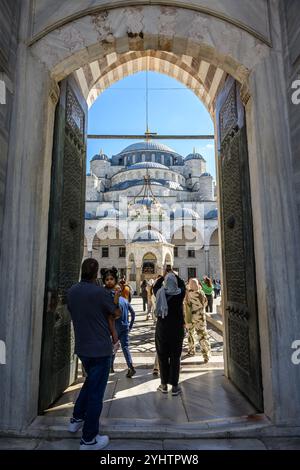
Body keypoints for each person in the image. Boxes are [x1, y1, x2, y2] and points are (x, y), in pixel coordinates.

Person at [67, 258, 121, 451]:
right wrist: (115, 300)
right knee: (97, 394)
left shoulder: (72, 291)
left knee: (90, 382)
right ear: (97, 273)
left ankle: (76, 418)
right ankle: (89, 439)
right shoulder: (100, 293)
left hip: (82, 348)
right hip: (100, 349)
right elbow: (115, 314)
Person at [153, 269, 186, 396]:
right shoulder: (179, 294)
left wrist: (163, 276)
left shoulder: (160, 293)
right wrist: (174, 275)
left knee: (162, 356)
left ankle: (164, 385)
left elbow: (155, 286)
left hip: (162, 330)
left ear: (166, 282)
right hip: (177, 330)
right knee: (175, 357)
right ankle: (175, 387)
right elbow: (182, 284)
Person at [102, 267, 136, 378]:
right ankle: (130, 366)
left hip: (114, 327)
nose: (109, 281)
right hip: (125, 327)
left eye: (111, 279)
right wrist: (129, 326)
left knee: (113, 346)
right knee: (125, 347)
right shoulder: (125, 301)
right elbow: (133, 313)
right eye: (107, 280)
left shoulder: (110, 299)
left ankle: (111, 366)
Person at [184, 278, 211, 362]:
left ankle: (191, 350)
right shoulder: (202, 293)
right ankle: (206, 354)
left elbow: (186, 305)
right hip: (200, 317)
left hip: (190, 317)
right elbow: (205, 303)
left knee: (190, 334)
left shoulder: (188, 294)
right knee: (202, 335)